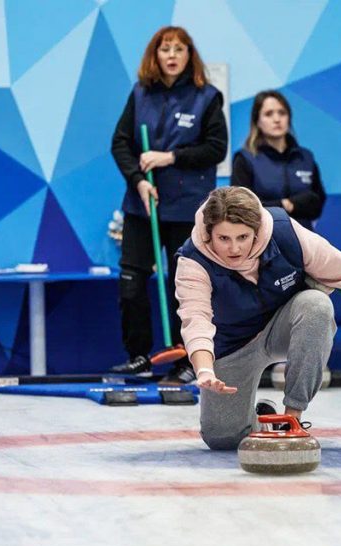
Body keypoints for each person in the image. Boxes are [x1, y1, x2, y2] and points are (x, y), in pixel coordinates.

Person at [174, 186, 341, 450]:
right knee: (222, 438)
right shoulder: (193, 260)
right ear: (209, 234)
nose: (234, 248)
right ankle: (262, 418)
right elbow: (195, 319)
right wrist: (204, 370)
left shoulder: (285, 234)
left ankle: (292, 418)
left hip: (285, 326)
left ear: (256, 230)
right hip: (233, 344)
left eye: (243, 237)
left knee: (316, 304)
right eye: (224, 238)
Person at [110, 26, 228, 384]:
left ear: (189, 55)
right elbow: (120, 144)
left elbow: (215, 149)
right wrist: (139, 179)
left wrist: (168, 157)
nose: (172, 55)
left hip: (186, 207)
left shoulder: (207, 97)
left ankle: (186, 358)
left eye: (179, 49)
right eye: (165, 49)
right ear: (155, 55)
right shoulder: (140, 93)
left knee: (184, 286)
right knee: (131, 284)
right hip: (142, 205)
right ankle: (139, 357)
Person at [231, 91, 326, 230]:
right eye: (268, 114)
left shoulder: (305, 157)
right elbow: (242, 209)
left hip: (304, 241)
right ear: (257, 121)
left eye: (282, 113)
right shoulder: (245, 158)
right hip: (264, 241)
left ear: (289, 117)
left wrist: (286, 205)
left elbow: (317, 204)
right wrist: (285, 204)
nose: (277, 119)